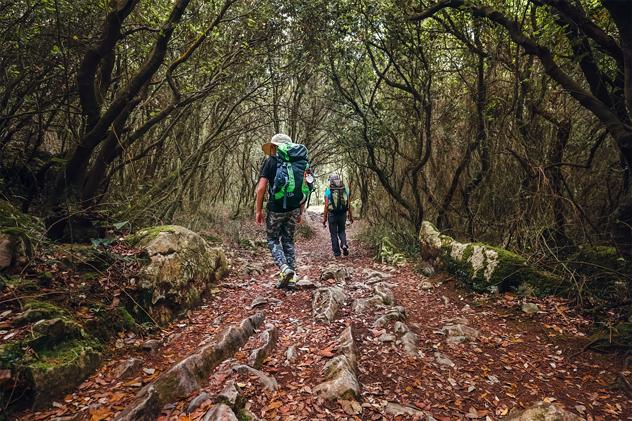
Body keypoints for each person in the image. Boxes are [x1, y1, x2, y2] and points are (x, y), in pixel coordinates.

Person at [255, 133, 310, 289]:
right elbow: (304, 188)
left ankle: (285, 268)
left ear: (274, 147)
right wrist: (300, 210)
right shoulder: (300, 162)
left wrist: (258, 211)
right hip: (294, 207)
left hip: (276, 208)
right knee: (288, 240)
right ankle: (292, 279)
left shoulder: (271, 161)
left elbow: (260, 188)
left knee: (273, 239)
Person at [322, 174, 353, 257]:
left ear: (331, 181)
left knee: (333, 234)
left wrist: (324, 219)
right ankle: (344, 244)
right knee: (342, 230)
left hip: (332, 215)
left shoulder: (328, 191)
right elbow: (348, 204)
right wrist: (351, 216)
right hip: (343, 213)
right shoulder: (345, 189)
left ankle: (337, 253)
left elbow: (326, 206)